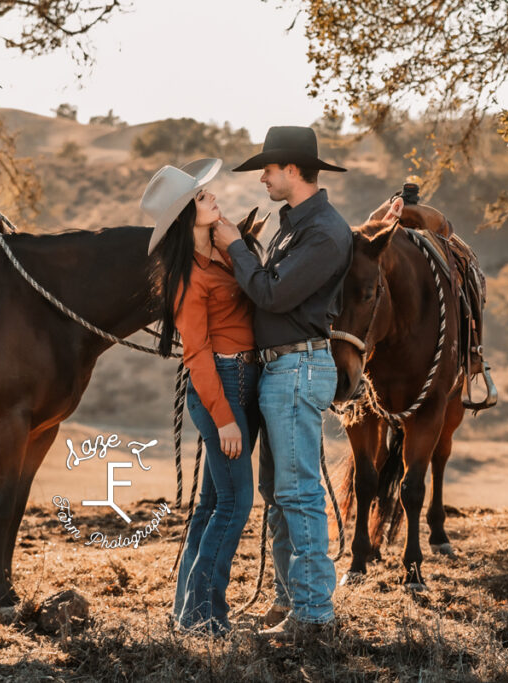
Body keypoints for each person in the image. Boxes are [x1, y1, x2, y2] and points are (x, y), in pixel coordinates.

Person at [212, 126, 353, 641]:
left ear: (292, 170)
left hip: (297, 369)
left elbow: (272, 294)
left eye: (268, 169)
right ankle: (289, 602)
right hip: (281, 368)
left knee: (297, 494)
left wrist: (233, 247)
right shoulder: (295, 226)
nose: (264, 178)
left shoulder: (324, 233)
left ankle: (314, 616)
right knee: (279, 493)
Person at [141, 158, 260, 636]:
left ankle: (187, 612)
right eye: (203, 197)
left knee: (213, 506)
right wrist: (225, 417)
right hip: (223, 386)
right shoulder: (190, 278)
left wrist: (235, 243)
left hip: (242, 381)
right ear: (187, 217)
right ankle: (204, 617)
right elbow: (198, 354)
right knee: (235, 505)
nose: (213, 197)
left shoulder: (225, 253)